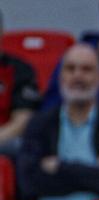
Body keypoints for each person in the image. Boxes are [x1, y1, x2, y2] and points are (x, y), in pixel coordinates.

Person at [16, 44, 99, 200]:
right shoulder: (40, 122)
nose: (78, 76)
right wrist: (97, 170)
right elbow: (29, 181)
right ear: (61, 77)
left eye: (86, 69)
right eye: (71, 69)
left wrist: (61, 167)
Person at [0, 11, 41, 155]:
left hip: (3, 141)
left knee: (21, 146)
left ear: (2, 31)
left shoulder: (20, 70)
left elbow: (22, 121)